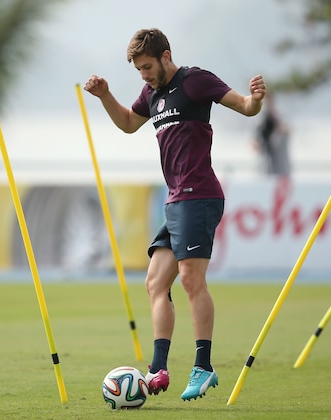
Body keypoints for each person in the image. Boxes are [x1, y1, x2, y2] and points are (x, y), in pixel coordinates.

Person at [84, 28, 266, 401]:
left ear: (166, 56)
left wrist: (257, 99)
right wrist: (105, 96)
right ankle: (158, 370)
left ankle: (203, 367)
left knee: (189, 280)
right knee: (155, 283)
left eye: (148, 67)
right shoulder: (151, 94)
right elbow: (128, 123)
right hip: (176, 201)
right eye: (138, 70)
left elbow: (245, 107)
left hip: (200, 196)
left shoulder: (196, 81)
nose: (144, 75)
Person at [253, 91, 291, 177]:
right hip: (264, 166)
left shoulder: (280, 116)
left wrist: (275, 123)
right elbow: (254, 144)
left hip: (281, 165)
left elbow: (287, 130)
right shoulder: (259, 120)